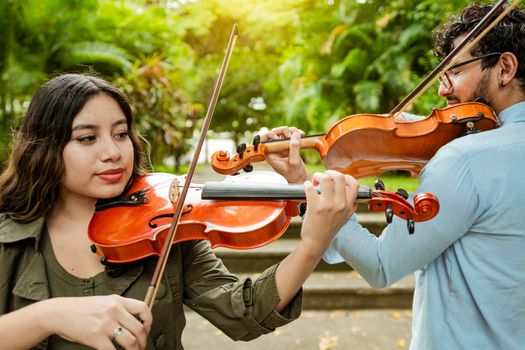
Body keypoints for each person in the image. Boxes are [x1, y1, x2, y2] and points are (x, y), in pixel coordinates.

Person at [0, 73, 358, 349]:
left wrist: (312, 245)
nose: (112, 152)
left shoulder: (166, 227)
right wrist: (50, 315)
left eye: (121, 133)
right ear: (45, 147)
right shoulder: (8, 238)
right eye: (87, 138)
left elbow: (242, 313)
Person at [263, 3, 525, 350]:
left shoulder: (466, 159)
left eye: (455, 71)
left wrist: (303, 183)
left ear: (504, 68)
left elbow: (381, 265)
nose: (442, 90)